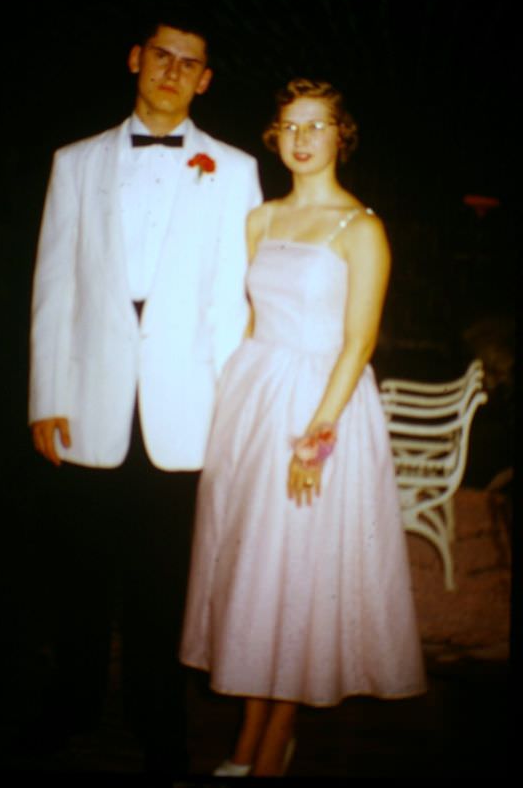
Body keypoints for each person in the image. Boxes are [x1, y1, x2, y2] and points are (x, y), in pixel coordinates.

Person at [28, 14, 262, 773]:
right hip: (86, 400)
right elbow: (53, 286)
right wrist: (43, 396)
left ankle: (159, 717)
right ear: (135, 60)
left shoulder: (233, 170)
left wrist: (230, 411)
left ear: (205, 80)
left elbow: (233, 301)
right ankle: (74, 701)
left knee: (165, 578)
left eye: (188, 62)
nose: (171, 69)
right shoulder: (75, 162)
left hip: (183, 412)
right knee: (79, 573)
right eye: (160, 54)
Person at [180, 78, 426, 777]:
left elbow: (358, 345)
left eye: (317, 126)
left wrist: (315, 439)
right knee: (256, 573)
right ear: (275, 135)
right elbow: (248, 323)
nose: (301, 138)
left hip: (320, 408)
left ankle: (266, 755)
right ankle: (254, 739)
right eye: (290, 125)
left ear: (340, 136)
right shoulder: (260, 220)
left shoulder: (362, 228)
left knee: (295, 577)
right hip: (254, 403)